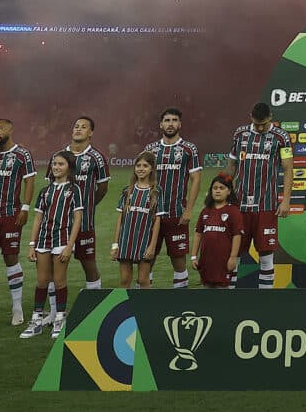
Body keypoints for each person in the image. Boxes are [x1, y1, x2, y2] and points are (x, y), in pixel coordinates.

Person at [0, 117, 36, 327]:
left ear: (10, 130)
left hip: (11, 213)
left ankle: (17, 309)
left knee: (11, 257)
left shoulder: (22, 154)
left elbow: (30, 180)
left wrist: (25, 207)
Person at [229, 101, 293, 289]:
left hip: (267, 205)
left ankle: (265, 299)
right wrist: (223, 192)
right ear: (251, 117)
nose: (260, 128)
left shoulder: (281, 137)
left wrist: (286, 200)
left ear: (270, 117)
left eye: (263, 124)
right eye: (256, 124)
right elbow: (231, 165)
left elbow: (288, 169)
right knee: (234, 252)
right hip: (240, 205)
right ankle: (228, 296)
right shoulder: (240, 134)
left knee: (266, 254)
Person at [22, 150, 86, 336]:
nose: (56, 167)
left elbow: (78, 218)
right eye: (54, 164)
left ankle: (59, 319)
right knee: (42, 281)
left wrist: (70, 246)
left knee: (59, 281)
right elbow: (37, 219)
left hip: (62, 240)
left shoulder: (74, 190)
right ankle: (36, 321)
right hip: (43, 240)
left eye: (61, 164)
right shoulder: (45, 191)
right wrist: (32, 244)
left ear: (69, 167)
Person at [142, 108, 204, 292]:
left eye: (174, 120)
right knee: (147, 259)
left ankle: (180, 302)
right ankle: (143, 301)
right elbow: (141, 178)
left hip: (176, 214)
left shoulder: (188, 149)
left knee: (178, 260)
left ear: (180, 124)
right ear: (161, 125)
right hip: (151, 215)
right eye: (167, 120)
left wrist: (188, 210)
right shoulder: (151, 150)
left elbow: (196, 179)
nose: (170, 124)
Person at [63, 116, 111, 292]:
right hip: (60, 224)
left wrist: (87, 205)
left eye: (83, 127)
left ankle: (94, 299)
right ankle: (56, 305)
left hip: (85, 223)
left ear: (91, 132)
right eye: (76, 126)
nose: (78, 129)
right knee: (57, 265)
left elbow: (102, 189)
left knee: (89, 264)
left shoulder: (96, 157)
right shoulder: (60, 156)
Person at [112, 153, 162, 289]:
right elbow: (120, 220)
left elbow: (157, 221)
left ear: (151, 169)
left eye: (145, 166)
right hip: (125, 241)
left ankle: (143, 304)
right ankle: (123, 303)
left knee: (143, 280)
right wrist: (115, 245)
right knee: (124, 280)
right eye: (138, 165)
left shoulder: (156, 191)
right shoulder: (127, 191)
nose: (141, 168)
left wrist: (152, 246)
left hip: (144, 242)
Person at [192, 175, 247, 289]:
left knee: (222, 289)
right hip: (206, 261)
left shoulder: (233, 211)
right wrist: (193, 256)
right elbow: (198, 233)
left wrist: (233, 257)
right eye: (215, 188)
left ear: (229, 191)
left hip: (223, 261)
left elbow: (237, 235)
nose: (218, 191)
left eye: (222, 188)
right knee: (206, 287)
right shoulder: (205, 211)